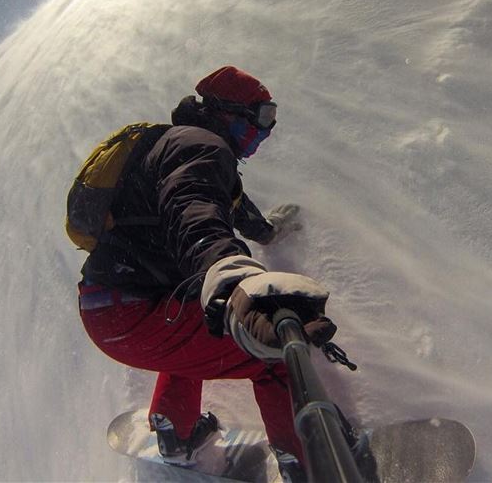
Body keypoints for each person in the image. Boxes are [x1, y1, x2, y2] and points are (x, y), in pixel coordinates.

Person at [77, 66, 337, 481]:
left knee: (197, 326)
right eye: (260, 119)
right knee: (272, 352)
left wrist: (270, 232)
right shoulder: (203, 148)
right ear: (226, 113)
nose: (262, 133)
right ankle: (309, 464)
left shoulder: (180, 146)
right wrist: (233, 277)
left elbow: (227, 207)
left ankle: (175, 433)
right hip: (135, 315)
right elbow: (194, 212)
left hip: (109, 312)